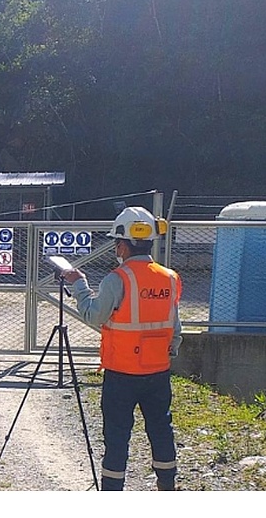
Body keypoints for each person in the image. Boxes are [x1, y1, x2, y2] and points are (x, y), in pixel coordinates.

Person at [62, 206, 182, 491]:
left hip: (121, 375)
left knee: (117, 438)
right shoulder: (170, 278)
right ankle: (167, 486)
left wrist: (79, 286)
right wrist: (166, 356)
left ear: (122, 244)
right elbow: (175, 329)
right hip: (158, 373)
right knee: (161, 431)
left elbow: (94, 316)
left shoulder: (118, 278)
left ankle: (112, 492)